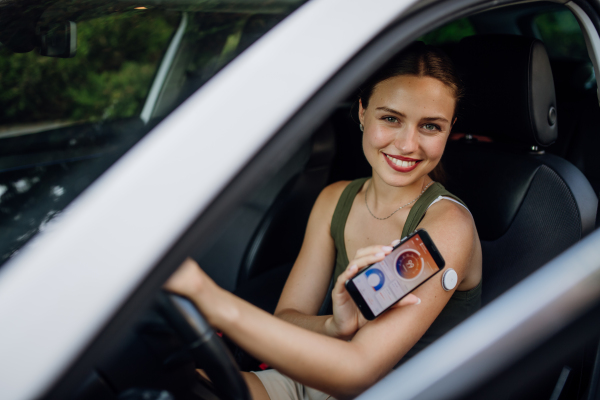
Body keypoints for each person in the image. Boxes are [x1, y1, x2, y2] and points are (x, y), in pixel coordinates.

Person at [165, 42, 482, 400]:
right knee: (173, 383)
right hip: (316, 378)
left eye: (430, 127)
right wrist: (333, 326)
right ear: (362, 112)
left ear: (450, 128)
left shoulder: (447, 225)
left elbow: (359, 371)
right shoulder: (335, 200)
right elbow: (288, 318)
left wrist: (209, 300)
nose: (408, 144)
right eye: (390, 118)